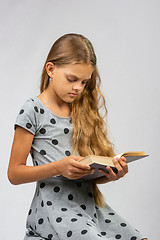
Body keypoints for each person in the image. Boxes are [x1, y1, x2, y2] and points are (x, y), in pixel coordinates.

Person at [8, 33, 147, 240]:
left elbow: (85, 175)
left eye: (84, 82)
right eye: (72, 79)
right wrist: (58, 167)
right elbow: (14, 174)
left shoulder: (82, 111)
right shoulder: (33, 110)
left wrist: (109, 174)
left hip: (89, 207)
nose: (78, 88)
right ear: (51, 69)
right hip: (54, 210)